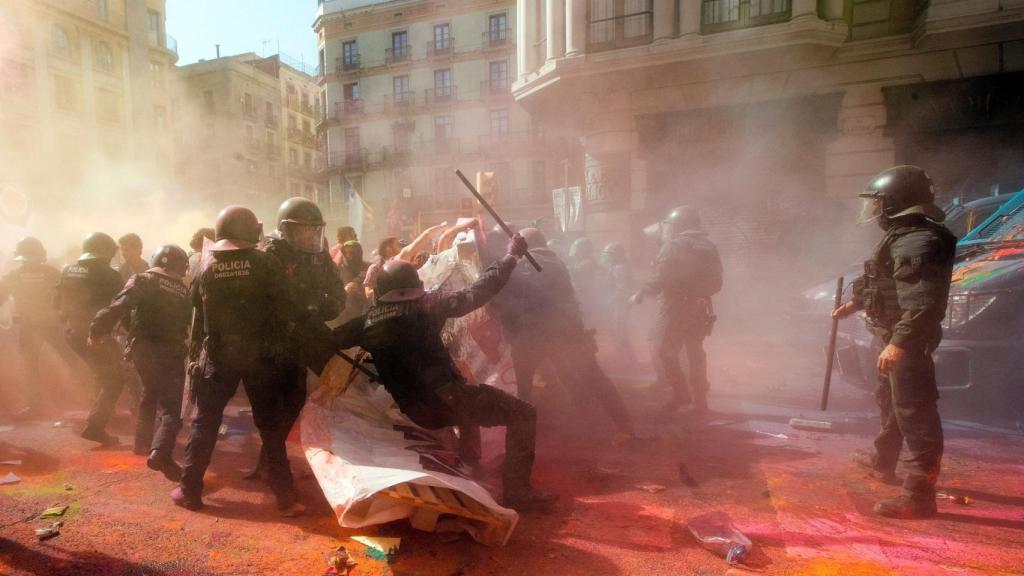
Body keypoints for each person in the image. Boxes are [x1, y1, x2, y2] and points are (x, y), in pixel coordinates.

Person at [331, 234, 557, 511]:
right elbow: (476, 293)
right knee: (522, 413)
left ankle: (469, 464)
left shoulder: (365, 323)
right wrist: (510, 258)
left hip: (413, 409)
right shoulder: (427, 305)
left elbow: (328, 340)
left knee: (468, 395)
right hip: (446, 401)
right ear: (416, 287)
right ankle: (517, 490)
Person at [832, 165, 956, 519]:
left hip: (905, 338)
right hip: (889, 333)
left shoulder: (919, 240)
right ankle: (883, 459)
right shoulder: (902, 235)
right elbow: (883, 275)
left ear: (896, 202)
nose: (872, 211)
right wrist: (856, 302)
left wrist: (899, 343)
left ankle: (919, 496)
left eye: (878, 203)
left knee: (915, 411)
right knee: (888, 398)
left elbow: (922, 302)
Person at [172, 206, 302, 516]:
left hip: (218, 356)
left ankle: (190, 491)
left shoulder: (205, 267)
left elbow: (195, 318)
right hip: (262, 357)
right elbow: (287, 307)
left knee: (205, 422)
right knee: (270, 427)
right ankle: (285, 497)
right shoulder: (266, 262)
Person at [488, 228, 634, 438]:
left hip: (534, 336)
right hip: (565, 332)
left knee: (524, 392)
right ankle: (620, 427)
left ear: (524, 244)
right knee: (592, 379)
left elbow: (504, 295)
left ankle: (522, 441)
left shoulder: (528, 264)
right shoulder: (554, 261)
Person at [249, 197, 344, 483]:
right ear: (286, 230)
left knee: (293, 402)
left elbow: (337, 296)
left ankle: (269, 458)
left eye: (313, 229)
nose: (309, 235)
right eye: (303, 229)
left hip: (303, 339)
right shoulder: (271, 254)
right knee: (271, 406)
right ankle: (271, 464)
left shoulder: (319, 255)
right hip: (273, 341)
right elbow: (266, 300)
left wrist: (318, 306)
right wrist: (305, 302)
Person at [90, 245, 191, 477]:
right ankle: (161, 452)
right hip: (170, 351)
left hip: (142, 349)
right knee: (171, 408)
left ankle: (142, 443)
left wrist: (97, 330)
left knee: (149, 391)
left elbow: (121, 305)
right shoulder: (183, 290)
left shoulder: (144, 279)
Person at [630, 206, 722, 414]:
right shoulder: (709, 246)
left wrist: (642, 293)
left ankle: (680, 393)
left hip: (675, 307)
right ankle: (700, 400)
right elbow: (717, 283)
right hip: (701, 307)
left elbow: (659, 277)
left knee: (664, 350)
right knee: (695, 352)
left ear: (679, 225)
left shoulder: (674, 246)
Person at [55, 232, 126, 445]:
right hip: (96, 334)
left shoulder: (68, 270)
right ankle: (96, 426)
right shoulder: (110, 274)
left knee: (102, 372)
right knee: (115, 379)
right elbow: (124, 304)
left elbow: (56, 302)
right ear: (105, 252)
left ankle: (103, 415)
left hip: (72, 332)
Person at [0, 237, 63, 417]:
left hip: (29, 326)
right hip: (54, 324)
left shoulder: (13, 276)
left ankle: (35, 406)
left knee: (30, 366)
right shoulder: (53, 273)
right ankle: (83, 399)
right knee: (70, 361)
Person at [600, 242, 639, 366]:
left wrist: (610, 301)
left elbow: (623, 289)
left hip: (621, 303)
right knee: (617, 329)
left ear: (615, 255)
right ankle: (625, 357)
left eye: (608, 254)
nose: (606, 257)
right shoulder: (619, 265)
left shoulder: (619, 267)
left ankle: (628, 359)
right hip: (621, 302)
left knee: (619, 330)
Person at [337, 240, 370, 325]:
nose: (348, 256)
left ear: (358, 253)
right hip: (346, 313)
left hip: (366, 310)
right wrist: (345, 289)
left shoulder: (368, 268)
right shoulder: (339, 270)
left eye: (352, 253)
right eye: (346, 253)